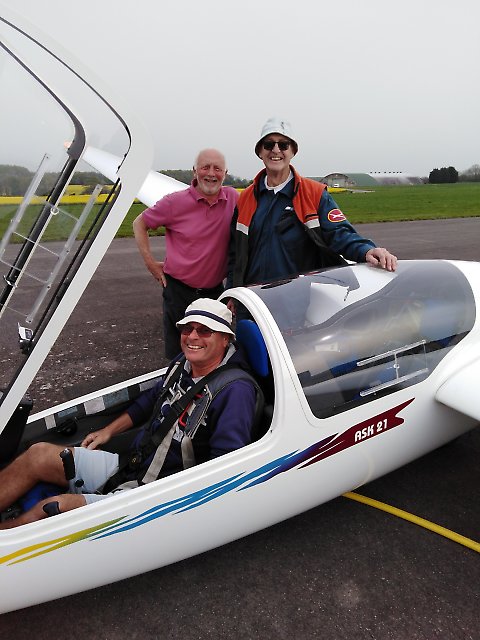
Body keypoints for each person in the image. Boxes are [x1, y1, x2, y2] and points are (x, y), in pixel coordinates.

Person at [0, 299, 257, 529]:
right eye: (187, 328)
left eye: (204, 330)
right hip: (130, 465)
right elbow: (151, 399)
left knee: (53, 508)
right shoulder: (183, 362)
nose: (192, 336)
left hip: (155, 496)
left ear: (226, 338)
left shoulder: (235, 391)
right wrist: (108, 431)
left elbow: (225, 466)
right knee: (38, 455)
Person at [227, 117, 397, 290]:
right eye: (269, 144)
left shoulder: (314, 194)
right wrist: (232, 293)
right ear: (260, 152)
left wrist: (366, 250)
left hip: (297, 297)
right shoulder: (246, 198)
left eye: (284, 145)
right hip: (253, 298)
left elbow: (340, 233)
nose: (276, 150)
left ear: (293, 151)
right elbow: (235, 255)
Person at [133, 148, 238, 359]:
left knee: (213, 353)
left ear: (225, 174)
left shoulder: (233, 198)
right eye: (205, 167)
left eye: (217, 169)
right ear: (194, 171)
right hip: (179, 292)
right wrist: (150, 263)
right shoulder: (174, 202)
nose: (211, 173)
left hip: (214, 293)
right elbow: (139, 224)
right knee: (179, 354)